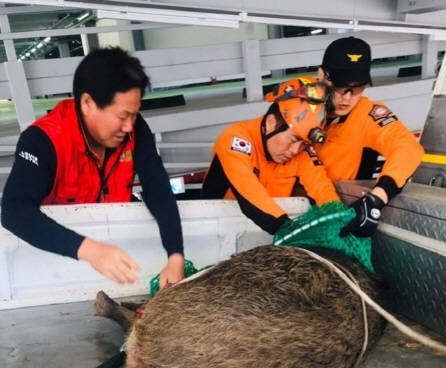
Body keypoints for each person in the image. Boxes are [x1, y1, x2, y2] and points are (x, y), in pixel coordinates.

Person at [1, 47, 184, 287]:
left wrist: (175, 255)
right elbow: (14, 211)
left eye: (135, 115)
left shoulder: (134, 130)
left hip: (116, 266)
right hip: (52, 268)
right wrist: (92, 252)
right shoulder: (43, 141)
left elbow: (157, 188)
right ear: (87, 102)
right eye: (122, 116)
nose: (130, 126)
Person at [268, 36, 424, 237]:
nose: (348, 97)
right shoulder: (300, 103)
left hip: (333, 222)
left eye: (358, 86)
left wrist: (376, 198)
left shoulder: (368, 115)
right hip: (281, 210)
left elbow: (407, 147)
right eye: (341, 86)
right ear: (322, 75)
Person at [201, 82, 341, 235]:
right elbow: (248, 188)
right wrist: (285, 228)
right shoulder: (234, 139)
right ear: (270, 123)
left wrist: (338, 216)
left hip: (269, 235)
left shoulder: (301, 152)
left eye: (304, 144)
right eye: (294, 140)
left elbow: (321, 186)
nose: (295, 150)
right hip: (215, 232)